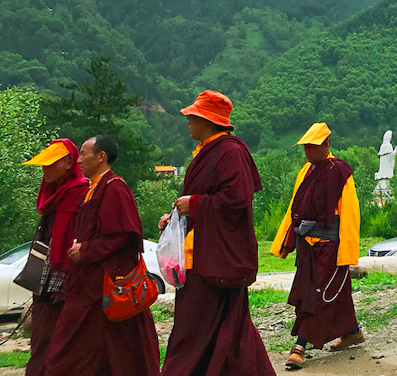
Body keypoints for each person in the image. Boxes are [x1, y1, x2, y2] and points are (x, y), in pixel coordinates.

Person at [161, 90, 275, 376]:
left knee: (198, 330)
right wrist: (177, 216)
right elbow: (208, 198)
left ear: (208, 120)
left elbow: (236, 200)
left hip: (217, 257)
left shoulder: (230, 151)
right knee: (225, 329)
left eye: (193, 116)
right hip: (202, 254)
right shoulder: (207, 151)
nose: (187, 120)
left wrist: (195, 204)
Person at [43, 135, 160, 376]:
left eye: (84, 154)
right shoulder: (94, 187)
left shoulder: (114, 188)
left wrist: (85, 250)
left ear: (101, 156)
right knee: (87, 343)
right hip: (89, 282)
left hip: (104, 282)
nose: (79, 161)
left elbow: (124, 235)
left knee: (72, 344)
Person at [269, 123, 362, 370]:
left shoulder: (340, 171)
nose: (307, 151)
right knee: (335, 293)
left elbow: (351, 214)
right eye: (305, 146)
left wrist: (347, 253)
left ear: (327, 144)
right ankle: (353, 332)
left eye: (313, 146)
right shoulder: (306, 171)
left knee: (317, 295)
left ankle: (299, 347)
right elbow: (294, 208)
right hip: (306, 246)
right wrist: (285, 241)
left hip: (329, 246)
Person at [21, 138, 89, 376]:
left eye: (51, 164)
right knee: (41, 338)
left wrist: (63, 280)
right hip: (44, 276)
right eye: (44, 164)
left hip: (67, 277)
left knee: (61, 340)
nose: (44, 170)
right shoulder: (50, 193)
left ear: (69, 164)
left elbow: (75, 236)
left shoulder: (81, 189)